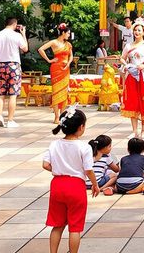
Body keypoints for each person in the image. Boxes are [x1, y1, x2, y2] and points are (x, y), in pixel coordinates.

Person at [43, 107, 98, 253]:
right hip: (76, 186)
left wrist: (58, 169)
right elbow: (88, 170)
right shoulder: (84, 147)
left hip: (57, 185)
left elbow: (45, 165)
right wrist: (95, 184)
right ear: (81, 127)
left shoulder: (54, 144)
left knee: (57, 225)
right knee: (75, 227)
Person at [0, 17, 28, 128]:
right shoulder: (17, 35)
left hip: (1, 65)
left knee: (0, 94)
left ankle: (0, 117)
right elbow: (25, 49)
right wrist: (23, 34)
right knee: (12, 95)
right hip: (13, 66)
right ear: (15, 24)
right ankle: (10, 120)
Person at [40, 23, 74, 123]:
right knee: (56, 92)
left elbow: (71, 56)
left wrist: (68, 63)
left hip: (65, 69)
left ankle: (62, 115)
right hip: (56, 68)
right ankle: (56, 116)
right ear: (63, 33)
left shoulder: (68, 44)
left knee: (64, 92)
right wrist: (49, 60)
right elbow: (41, 49)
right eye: (68, 33)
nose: (69, 35)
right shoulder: (54, 42)